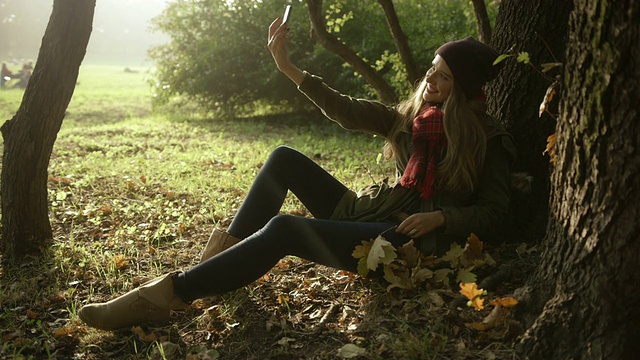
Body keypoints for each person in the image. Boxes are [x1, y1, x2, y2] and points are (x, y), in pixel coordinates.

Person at [78, 17, 515, 331]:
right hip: (365, 214)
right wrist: (287, 66)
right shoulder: (415, 117)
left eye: (444, 77)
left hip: (404, 243)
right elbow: (350, 110)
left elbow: (497, 212)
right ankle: (216, 265)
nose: (430, 82)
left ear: (467, 87)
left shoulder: (487, 140)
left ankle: (169, 294)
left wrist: (442, 218)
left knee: (285, 228)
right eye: (431, 71)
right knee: (284, 157)